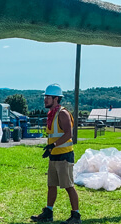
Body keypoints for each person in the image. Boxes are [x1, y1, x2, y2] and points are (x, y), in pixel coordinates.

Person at [31, 84, 81, 224]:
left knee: (68, 186)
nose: (45, 99)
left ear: (56, 98)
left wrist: (53, 145)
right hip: (54, 155)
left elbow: (68, 134)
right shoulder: (51, 114)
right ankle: (48, 212)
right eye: (45, 97)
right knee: (51, 185)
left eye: (48, 97)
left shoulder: (63, 114)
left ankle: (76, 216)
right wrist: (50, 148)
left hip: (64, 155)